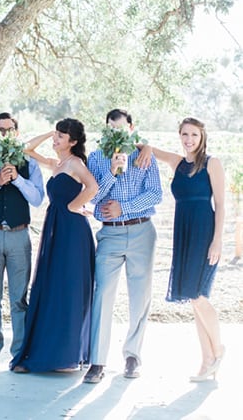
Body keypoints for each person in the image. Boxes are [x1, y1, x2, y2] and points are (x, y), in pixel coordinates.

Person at [136, 117, 226, 381]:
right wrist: (148, 147)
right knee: (192, 296)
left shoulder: (212, 163)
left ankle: (218, 350)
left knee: (198, 295)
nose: (189, 139)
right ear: (180, 136)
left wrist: (217, 240)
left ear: (202, 137)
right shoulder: (177, 163)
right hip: (183, 232)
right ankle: (207, 359)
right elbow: (144, 147)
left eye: (194, 135)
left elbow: (221, 204)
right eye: (185, 134)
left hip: (204, 232)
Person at [10, 119, 97, 373]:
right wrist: (51, 132)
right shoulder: (56, 164)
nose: (56, 139)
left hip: (72, 231)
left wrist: (74, 206)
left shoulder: (76, 164)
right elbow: (25, 149)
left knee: (67, 288)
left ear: (74, 141)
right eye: (56, 134)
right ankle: (46, 352)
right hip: (55, 227)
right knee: (51, 285)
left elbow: (93, 186)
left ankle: (65, 355)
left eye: (62, 136)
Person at [84, 109, 162, 384]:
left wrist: (124, 208)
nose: (115, 132)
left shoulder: (145, 156)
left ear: (131, 128)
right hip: (110, 235)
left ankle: (132, 356)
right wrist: (112, 173)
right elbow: (94, 198)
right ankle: (98, 361)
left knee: (140, 296)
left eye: (120, 127)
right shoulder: (96, 158)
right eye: (110, 128)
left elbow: (155, 193)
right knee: (103, 293)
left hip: (142, 231)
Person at [0, 113, 45, 371]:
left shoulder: (28, 162)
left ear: (17, 132)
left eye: (10, 129)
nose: (5, 134)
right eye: (0, 130)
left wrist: (18, 179)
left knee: (18, 298)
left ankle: (20, 353)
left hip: (19, 235)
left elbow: (37, 198)